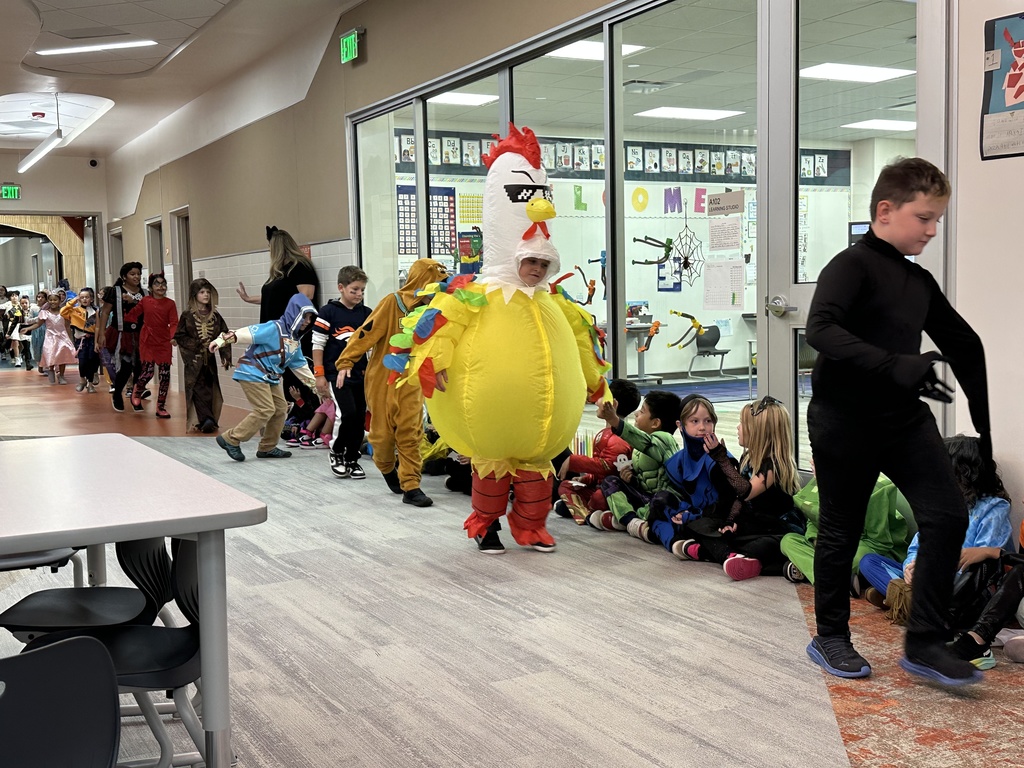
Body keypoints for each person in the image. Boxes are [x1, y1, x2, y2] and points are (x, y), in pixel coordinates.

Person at [804, 157, 992, 687]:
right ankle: (831, 637)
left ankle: (926, 642)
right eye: (924, 218)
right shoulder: (851, 265)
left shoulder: (917, 280)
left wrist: (985, 423)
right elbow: (820, 329)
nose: (933, 230)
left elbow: (963, 343)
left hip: (903, 420)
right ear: (885, 211)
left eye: (938, 220)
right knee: (842, 527)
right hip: (845, 418)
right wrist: (896, 363)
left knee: (948, 515)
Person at [401, 125, 611, 549]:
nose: (535, 269)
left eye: (541, 263)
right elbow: (437, 328)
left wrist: (597, 385)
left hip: (542, 429)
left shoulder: (555, 302)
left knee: (536, 480)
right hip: (491, 422)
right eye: (528, 260)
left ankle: (530, 525)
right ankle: (486, 524)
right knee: (491, 474)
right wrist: (432, 363)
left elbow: (582, 341)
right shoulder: (472, 296)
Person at [856, 436, 1013, 669]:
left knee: (971, 573)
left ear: (964, 472)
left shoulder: (994, 508)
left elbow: (983, 558)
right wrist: (912, 565)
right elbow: (918, 544)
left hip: (959, 587)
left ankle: (899, 599)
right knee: (869, 562)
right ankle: (901, 597)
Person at [334, 258, 449, 506]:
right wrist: (346, 362)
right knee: (382, 437)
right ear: (421, 282)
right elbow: (365, 332)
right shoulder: (392, 303)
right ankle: (387, 467)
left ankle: (411, 486)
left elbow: (443, 345)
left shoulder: (436, 311)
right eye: (434, 283)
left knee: (410, 435)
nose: (437, 289)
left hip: (412, 382)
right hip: (382, 381)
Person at [691, 395, 803, 581]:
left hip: (777, 529)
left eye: (742, 423)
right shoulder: (749, 459)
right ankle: (733, 557)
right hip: (754, 524)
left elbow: (746, 491)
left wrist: (721, 458)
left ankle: (727, 556)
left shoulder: (773, 466)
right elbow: (739, 499)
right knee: (704, 525)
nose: (738, 427)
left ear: (757, 431)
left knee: (762, 547)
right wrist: (730, 520)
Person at [210, 293, 319, 462]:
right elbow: (246, 333)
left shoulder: (294, 340)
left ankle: (267, 447)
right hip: (252, 372)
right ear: (294, 314)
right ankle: (230, 439)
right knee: (265, 409)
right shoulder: (274, 328)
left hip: (270, 377)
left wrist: (317, 387)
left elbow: (300, 366)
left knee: (280, 408)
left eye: (310, 318)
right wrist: (220, 341)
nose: (307, 322)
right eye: (304, 317)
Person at [779, 465, 909, 586]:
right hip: (829, 544)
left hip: (864, 547)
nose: (813, 463)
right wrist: (816, 541)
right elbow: (813, 520)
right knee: (788, 541)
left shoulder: (874, 492)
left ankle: (815, 573)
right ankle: (840, 579)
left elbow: (879, 544)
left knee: (860, 558)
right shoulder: (816, 487)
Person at [641, 395, 738, 557]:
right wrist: (685, 512)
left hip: (718, 517)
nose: (702, 427)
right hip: (695, 514)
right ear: (680, 425)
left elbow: (728, 501)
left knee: (696, 528)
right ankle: (679, 544)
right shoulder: (679, 461)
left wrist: (691, 516)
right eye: (695, 421)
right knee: (659, 503)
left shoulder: (719, 458)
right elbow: (687, 496)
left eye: (708, 421)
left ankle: (685, 545)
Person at [236, 226, 320, 408]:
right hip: (275, 331)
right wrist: (250, 299)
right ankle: (283, 415)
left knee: (294, 374)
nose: (269, 251)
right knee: (276, 373)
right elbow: (276, 298)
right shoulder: (280, 271)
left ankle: (302, 417)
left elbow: (305, 298)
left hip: (291, 332)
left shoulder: (300, 268)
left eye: (269, 247)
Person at [593, 390, 681, 538]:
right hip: (645, 499)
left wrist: (615, 420)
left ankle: (626, 519)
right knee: (610, 481)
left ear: (655, 423)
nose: (636, 414)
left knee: (663, 499)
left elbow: (641, 440)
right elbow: (646, 480)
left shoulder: (665, 439)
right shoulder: (637, 448)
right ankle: (631, 520)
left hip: (661, 502)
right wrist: (631, 479)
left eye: (642, 411)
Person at [311, 265, 372, 479]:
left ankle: (352, 459)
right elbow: (318, 344)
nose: (359, 294)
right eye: (354, 290)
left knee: (359, 418)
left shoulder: (366, 314)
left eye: (362, 290)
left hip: (360, 375)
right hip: (335, 375)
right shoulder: (328, 312)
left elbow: (370, 346)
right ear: (341, 287)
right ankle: (337, 452)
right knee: (347, 414)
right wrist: (319, 375)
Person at [556, 378, 640, 525]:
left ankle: (596, 512)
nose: (596, 402)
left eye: (601, 398)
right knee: (566, 486)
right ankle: (589, 512)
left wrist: (573, 461)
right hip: (598, 487)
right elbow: (598, 472)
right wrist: (585, 479)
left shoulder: (619, 438)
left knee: (599, 498)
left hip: (612, 492)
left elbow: (607, 467)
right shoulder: (605, 433)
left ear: (613, 404)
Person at [173, 278, 232, 433]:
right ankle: (206, 419)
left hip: (210, 361)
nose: (206, 295)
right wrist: (197, 344)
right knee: (197, 389)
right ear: (195, 294)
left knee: (210, 388)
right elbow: (180, 336)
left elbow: (224, 335)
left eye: (207, 292)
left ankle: (208, 419)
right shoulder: (187, 316)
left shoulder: (215, 316)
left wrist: (225, 356)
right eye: (201, 292)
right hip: (193, 362)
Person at [124, 273, 179, 418]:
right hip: (147, 339)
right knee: (148, 372)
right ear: (150, 287)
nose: (161, 286)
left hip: (164, 341)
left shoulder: (170, 303)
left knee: (165, 375)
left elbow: (174, 322)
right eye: (157, 283)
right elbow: (133, 314)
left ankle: (160, 406)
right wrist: (127, 308)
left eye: (163, 283)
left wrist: (174, 337)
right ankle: (137, 390)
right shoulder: (146, 300)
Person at [96, 262, 147, 412]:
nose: (136, 277)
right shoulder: (115, 291)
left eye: (138, 274)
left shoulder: (145, 293)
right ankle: (117, 393)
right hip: (121, 333)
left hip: (141, 334)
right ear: (124, 276)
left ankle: (135, 396)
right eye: (133, 274)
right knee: (125, 366)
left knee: (140, 367)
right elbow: (104, 312)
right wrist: (101, 334)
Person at [19, 291, 78, 384]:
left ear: (59, 301)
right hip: (50, 336)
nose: (52, 302)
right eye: (50, 300)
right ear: (48, 301)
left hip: (62, 336)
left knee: (63, 354)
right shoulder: (45, 313)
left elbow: (67, 326)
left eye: (55, 300)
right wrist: (27, 329)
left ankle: (61, 375)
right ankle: (51, 369)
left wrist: (70, 339)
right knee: (51, 353)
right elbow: (38, 324)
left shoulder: (64, 312)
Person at [59, 288, 100, 393]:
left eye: (87, 297)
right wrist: (73, 301)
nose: (84, 299)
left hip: (91, 339)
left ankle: (90, 384)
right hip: (80, 341)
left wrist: (96, 342)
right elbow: (63, 312)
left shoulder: (95, 311)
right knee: (82, 362)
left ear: (91, 299)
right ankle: (82, 380)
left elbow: (97, 328)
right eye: (82, 297)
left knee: (91, 362)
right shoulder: (74, 311)